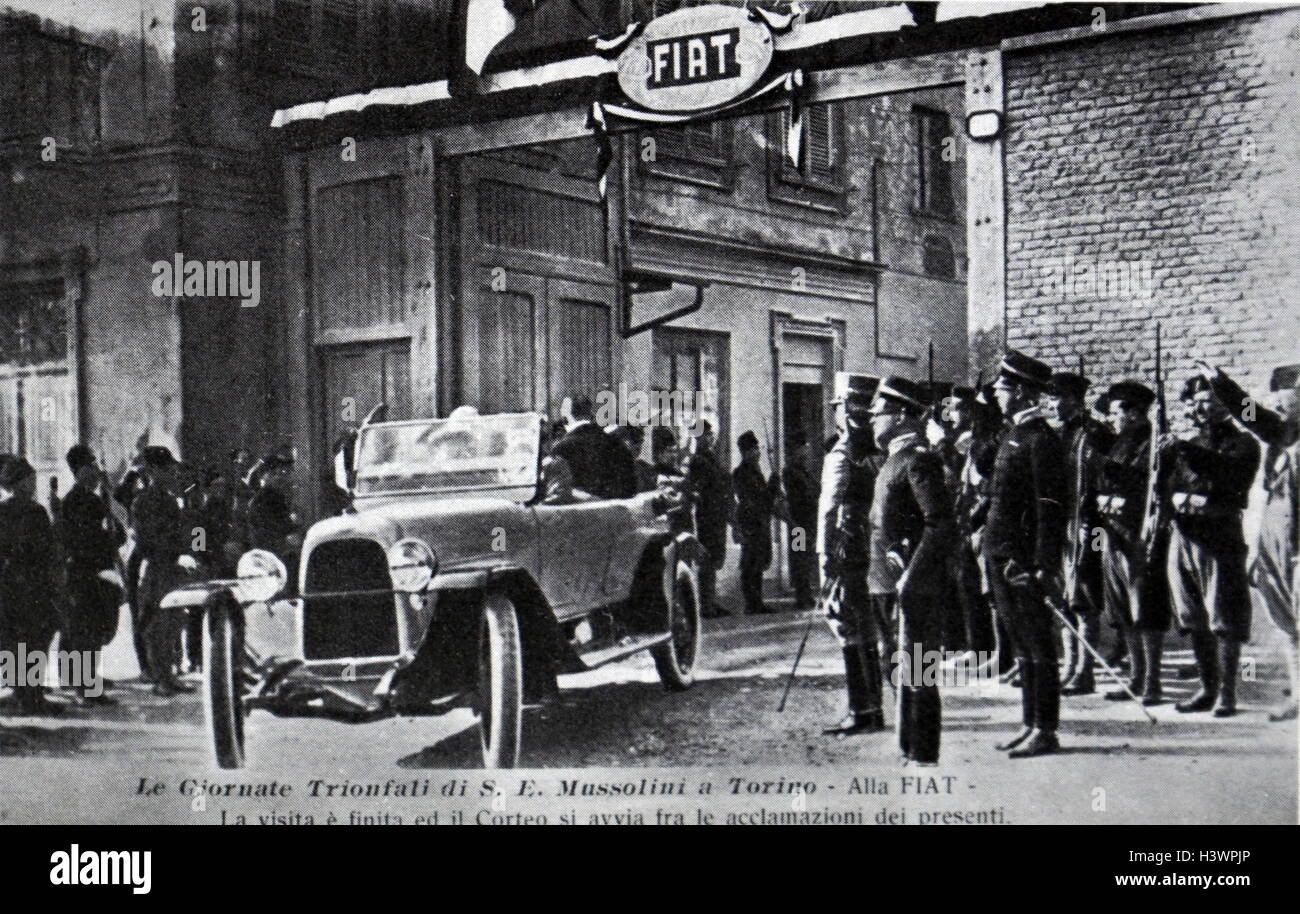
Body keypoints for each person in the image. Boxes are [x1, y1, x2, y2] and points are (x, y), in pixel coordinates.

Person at [1202, 361, 1299, 721]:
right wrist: (1221, 383)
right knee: (1286, 624)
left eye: (1285, 400)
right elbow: (1250, 415)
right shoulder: (1282, 435)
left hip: (1299, 549)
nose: (1277, 406)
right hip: (1275, 545)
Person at [1161, 375, 1261, 717]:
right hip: (1184, 536)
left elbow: (1231, 476)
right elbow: (1165, 486)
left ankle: (1228, 694)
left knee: (1225, 617)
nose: (1203, 407)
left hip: (1219, 539)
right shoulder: (1186, 442)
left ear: (1226, 405)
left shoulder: (1243, 443)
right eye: (1198, 401)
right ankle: (1206, 688)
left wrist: (1185, 451)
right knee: (1193, 617)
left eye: (1211, 400)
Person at [983, 350, 1067, 758]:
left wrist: (1041, 565)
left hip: (1021, 561)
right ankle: (1030, 723)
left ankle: (1046, 729)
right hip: (1002, 555)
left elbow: (1049, 509)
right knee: (1022, 644)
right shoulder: (1012, 433)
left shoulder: (1041, 440)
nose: (996, 395)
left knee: (1038, 644)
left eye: (1001, 388)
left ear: (1018, 391)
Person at [867, 377, 955, 764]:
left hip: (913, 584)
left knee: (920, 668)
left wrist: (913, 577)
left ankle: (923, 750)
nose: (872, 420)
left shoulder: (919, 460)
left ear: (902, 415)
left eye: (879, 413)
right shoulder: (894, 459)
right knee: (899, 666)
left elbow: (939, 523)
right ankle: (909, 746)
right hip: (888, 580)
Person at [817, 372, 886, 734]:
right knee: (867, 628)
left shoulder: (841, 453)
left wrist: (823, 557)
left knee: (848, 627)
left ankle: (863, 712)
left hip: (845, 549)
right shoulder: (878, 451)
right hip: (870, 547)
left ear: (845, 409)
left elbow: (829, 509)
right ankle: (872, 708)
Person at [1094, 381, 1169, 706]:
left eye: (1116, 413)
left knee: (1147, 610)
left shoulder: (1152, 444)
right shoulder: (1120, 443)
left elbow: (1143, 483)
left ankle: (1152, 681)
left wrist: (1104, 466)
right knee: (1122, 609)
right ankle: (1136, 677)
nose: (1111, 419)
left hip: (1140, 537)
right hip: (1114, 533)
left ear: (1136, 414)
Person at [1045, 371, 1113, 696]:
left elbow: (1106, 481)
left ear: (1073, 399)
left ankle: (1086, 672)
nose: (1052, 405)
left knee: (1084, 596)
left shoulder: (1097, 434)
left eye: (1056, 398)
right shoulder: (1059, 435)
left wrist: (1091, 525)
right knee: (1063, 598)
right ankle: (1070, 667)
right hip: (1063, 525)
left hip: (1090, 526)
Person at [60, 445, 126, 704]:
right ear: (79, 471)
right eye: (91, 466)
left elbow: (116, 535)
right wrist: (105, 540)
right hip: (83, 573)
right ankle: (82, 688)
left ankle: (89, 682)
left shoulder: (96, 500)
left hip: (98, 571)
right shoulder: (74, 501)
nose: (97, 471)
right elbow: (79, 540)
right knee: (83, 632)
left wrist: (112, 531)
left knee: (95, 631)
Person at [131, 446, 200, 696]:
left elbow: (192, 530)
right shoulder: (144, 500)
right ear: (152, 471)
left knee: (174, 621)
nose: (172, 472)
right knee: (158, 624)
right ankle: (161, 678)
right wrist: (178, 552)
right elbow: (147, 539)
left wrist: (192, 552)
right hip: (158, 567)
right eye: (166, 468)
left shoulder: (173, 498)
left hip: (174, 566)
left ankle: (169, 675)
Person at [0, 455, 64, 715]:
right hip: (34, 585)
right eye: (31, 479)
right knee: (37, 638)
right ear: (24, 482)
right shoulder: (34, 510)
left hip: (8, 585)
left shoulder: (2, 510)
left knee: (13, 640)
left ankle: (19, 691)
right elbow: (47, 549)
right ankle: (32, 696)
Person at [684, 421, 730, 618]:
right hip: (707, 516)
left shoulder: (711, 458)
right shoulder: (698, 461)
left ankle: (710, 601)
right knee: (707, 560)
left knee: (715, 558)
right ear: (698, 438)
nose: (710, 438)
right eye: (706, 435)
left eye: (711, 434)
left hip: (717, 514)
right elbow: (700, 488)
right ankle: (706, 604)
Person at [732, 430, 780, 615]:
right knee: (750, 564)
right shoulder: (741, 473)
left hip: (760, 522)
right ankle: (752, 603)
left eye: (758, 449)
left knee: (758, 562)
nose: (758, 453)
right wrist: (773, 486)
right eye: (754, 450)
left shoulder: (754, 472)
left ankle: (757, 601)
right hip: (751, 524)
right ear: (745, 452)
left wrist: (772, 487)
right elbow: (758, 499)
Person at [551, 394, 635, 499]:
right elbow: (631, 488)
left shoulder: (560, 449)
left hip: (579, 514)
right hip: (618, 512)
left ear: (565, 418)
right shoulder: (617, 443)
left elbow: (559, 495)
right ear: (590, 413)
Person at [782, 435, 820, 609]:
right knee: (799, 560)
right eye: (803, 447)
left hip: (809, 522)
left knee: (807, 558)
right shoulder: (790, 471)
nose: (806, 451)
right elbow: (800, 496)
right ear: (795, 450)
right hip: (798, 522)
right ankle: (801, 596)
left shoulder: (806, 472)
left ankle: (806, 595)